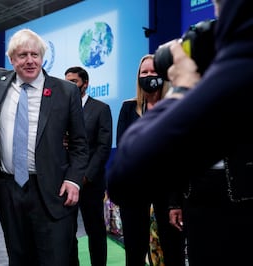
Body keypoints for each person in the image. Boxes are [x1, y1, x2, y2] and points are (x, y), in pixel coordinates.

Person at [107, 0, 253, 265]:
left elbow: (126, 176)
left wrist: (183, 87)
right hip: (198, 202)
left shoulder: (235, 72)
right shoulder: (130, 107)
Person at [0, 29, 89, 266]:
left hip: (51, 190)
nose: (30, 61)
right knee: (18, 258)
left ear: (42, 57)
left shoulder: (66, 91)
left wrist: (73, 179)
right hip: (9, 189)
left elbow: (80, 143)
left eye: (35, 54)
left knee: (54, 259)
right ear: (11, 59)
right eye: (22, 55)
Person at [113, 54, 185, 266]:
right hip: (135, 191)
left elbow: (179, 155)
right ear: (138, 77)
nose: (149, 76)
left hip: (168, 191)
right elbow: (124, 149)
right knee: (134, 252)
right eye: (144, 72)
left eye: (153, 71)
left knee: (174, 250)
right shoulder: (128, 108)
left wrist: (175, 200)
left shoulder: (176, 106)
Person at [64, 66, 112, 266]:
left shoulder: (101, 108)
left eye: (73, 81)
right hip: (65, 181)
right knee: (67, 231)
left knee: (95, 231)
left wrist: (85, 176)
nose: (69, 85)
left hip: (91, 183)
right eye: (66, 81)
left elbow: (103, 147)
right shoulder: (62, 109)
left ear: (85, 83)